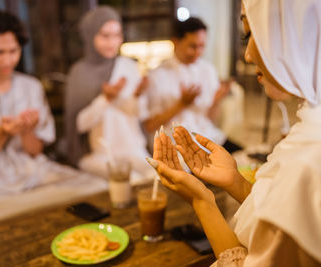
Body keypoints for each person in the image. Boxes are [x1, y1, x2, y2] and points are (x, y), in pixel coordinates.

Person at [146, 0, 321, 265]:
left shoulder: (305, 162)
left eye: (253, 34)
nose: (247, 55)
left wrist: (201, 200)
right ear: (175, 42)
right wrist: (236, 182)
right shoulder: (158, 76)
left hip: (206, 134)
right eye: (245, 35)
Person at [0, 7, 107, 234]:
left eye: (14, 51)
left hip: (34, 174)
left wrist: (27, 130)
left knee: (98, 189)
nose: (9, 59)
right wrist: (2, 134)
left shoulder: (31, 87)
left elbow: (35, 152)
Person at [65, 6, 155, 184]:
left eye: (117, 35)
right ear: (90, 36)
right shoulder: (80, 72)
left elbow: (140, 114)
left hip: (133, 149)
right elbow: (80, 124)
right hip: (100, 154)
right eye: (105, 36)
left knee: (157, 177)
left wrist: (137, 96)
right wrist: (106, 99)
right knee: (130, 181)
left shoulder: (128, 66)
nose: (113, 42)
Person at [144, 17, 241, 153]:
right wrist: (181, 104)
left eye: (202, 46)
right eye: (192, 46)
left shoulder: (207, 70)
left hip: (208, 136)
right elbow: (149, 126)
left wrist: (217, 100)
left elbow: (210, 118)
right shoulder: (157, 76)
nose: (198, 52)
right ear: (176, 42)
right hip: (174, 143)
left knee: (244, 157)